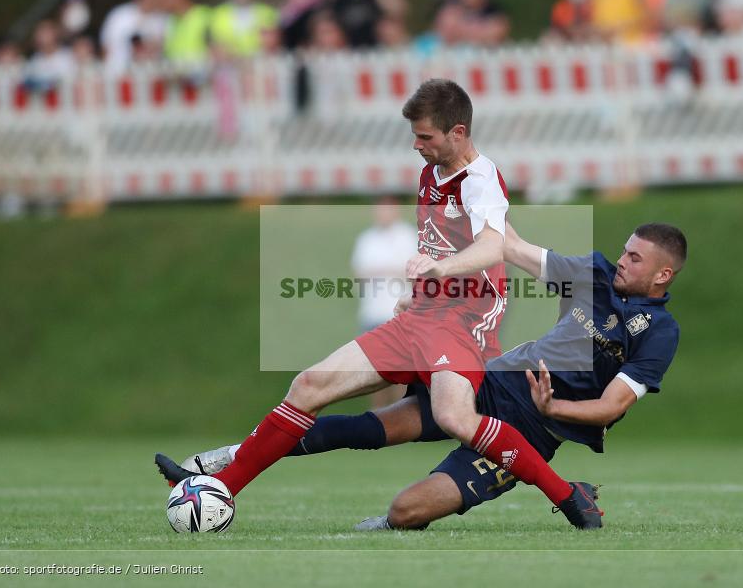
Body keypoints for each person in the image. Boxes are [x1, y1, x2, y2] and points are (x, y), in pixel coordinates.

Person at [160, 79, 607, 527]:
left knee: (453, 417)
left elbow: (493, 248)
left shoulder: (480, 180)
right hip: (421, 317)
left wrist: (440, 272)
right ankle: (222, 488)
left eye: (425, 136)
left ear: (458, 132)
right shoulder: (432, 172)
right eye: (414, 135)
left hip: (460, 322)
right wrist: (420, 288)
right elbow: (441, 242)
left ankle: (569, 497)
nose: (416, 145)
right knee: (309, 385)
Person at [177, 222, 686, 530]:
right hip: (491, 383)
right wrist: (479, 196)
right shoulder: (594, 273)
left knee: (405, 512)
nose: (621, 260)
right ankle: (219, 475)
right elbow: (509, 245)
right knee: (360, 428)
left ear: (663, 274)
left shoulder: (659, 332)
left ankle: (559, 486)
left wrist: (555, 408)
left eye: (634, 257)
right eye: (624, 250)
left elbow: (614, 406)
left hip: (534, 431)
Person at [350, 197, 419, 407]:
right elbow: (359, 272)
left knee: (400, 372)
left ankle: (400, 416)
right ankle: (377, 417)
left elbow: (414, 272)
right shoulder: (366, 239)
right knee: (372, 371)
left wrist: (384, 270)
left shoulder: (408, 236)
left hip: (399, 314)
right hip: (372, 313)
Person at [99, 0, 169, 78]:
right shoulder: (120, 15)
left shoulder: (162, 19)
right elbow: (105, 47)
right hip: (118, 76)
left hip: (150, 77)